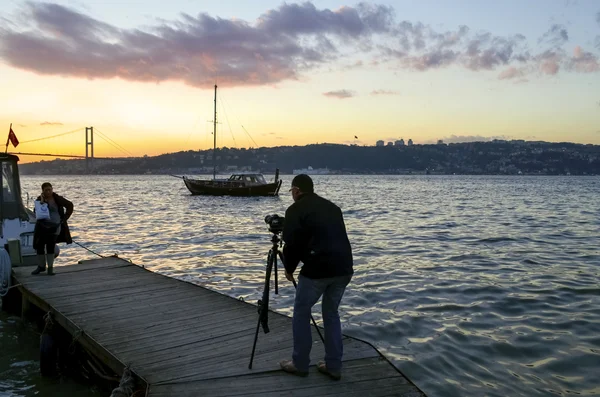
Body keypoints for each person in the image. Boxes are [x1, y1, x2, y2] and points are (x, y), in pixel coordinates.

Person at [279, 174, 354, 380]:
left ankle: (300, 363)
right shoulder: (332, 207)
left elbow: (292, 244)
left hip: (318, 269)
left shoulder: (295, 209)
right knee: (331, 314)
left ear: (296, 191)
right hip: (344, 267)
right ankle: (333, 366)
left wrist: (288, 268)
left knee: (301, 312)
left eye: (292, 192)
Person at [31, 182, 73, 275]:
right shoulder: (39, 199)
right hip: (42, 226)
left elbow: (70, 205)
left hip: (55, 226)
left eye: (50, 189)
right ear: (43, 191)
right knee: (39, 245)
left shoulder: (57, 198)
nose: (49, 192)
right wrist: (41, 203)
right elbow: (36, 212)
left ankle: (50, 268)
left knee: (50, 246)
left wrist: (65, 218)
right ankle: (41, 266)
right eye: (46, 190)